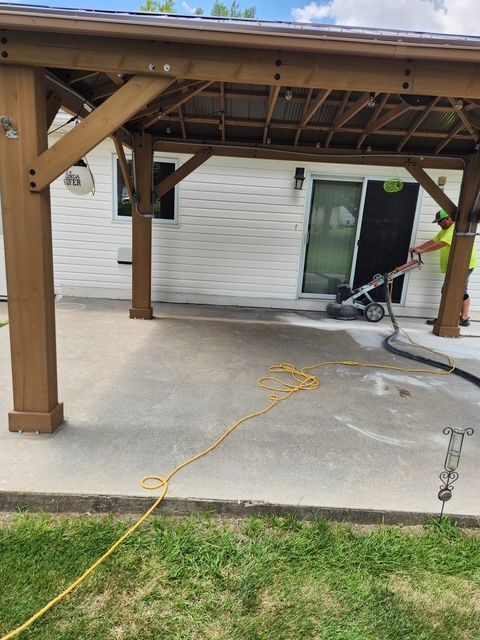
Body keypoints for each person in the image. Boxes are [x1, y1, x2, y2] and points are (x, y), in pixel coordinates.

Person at [410, 209, 477, 327]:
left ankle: (457, 318)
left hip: (463, 264)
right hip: (457, 265)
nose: (439, 224)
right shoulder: (445, 230)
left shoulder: (454, 229)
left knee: (453, 290)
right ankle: (456, 317)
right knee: (453, 290)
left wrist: (423, 251)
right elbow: (433, 241)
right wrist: (418, 248)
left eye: (440, 221)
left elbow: (441, 244)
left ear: (448, 219)